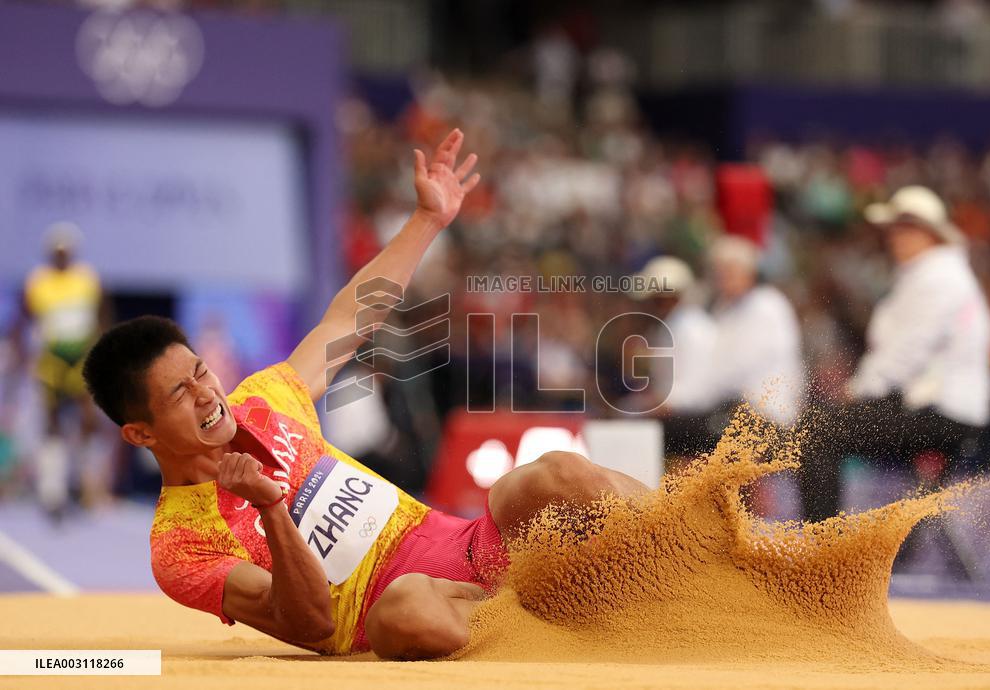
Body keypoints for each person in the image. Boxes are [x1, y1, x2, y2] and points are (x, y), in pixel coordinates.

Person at [82, 130, 647, 660]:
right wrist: (271, 507)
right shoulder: (181, 546)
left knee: (556, 475)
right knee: (400, 611)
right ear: (140, 432)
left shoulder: (267, 401)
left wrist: (427, 219)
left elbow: (348, 319)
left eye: (201, 372)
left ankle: (694, 538)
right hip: (421, 610)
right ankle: (541, 628)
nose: (206, 394)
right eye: (180, 393)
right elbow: (309, 623)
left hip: (474, 545)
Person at [798, 186, 990, 522]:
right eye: (896, 228)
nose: (895, 237)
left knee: (818, 432)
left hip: (942, 414)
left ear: (929, 234)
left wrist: (856, 391)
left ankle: (822, 551)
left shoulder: (939, 278)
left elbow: (906, 354)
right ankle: (828, 544)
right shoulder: (925, 275)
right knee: (819, 424)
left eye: (906, 228)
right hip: (927, 405)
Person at [14, 224, 107, 520]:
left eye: (66, 252)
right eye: (56, 252)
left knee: (89, 420)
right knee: (52, 422)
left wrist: (104, 352)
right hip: (52, 358)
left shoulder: (87, 279)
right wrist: (22, 355)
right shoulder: (37, 282)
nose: (61, 256)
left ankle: (82, 482)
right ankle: (52, 492)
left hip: (82, 357)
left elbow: (103, 316)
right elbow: (23, 320)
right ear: (49, 254)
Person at [621, 255, 721, 457]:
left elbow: (695, 391)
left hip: (694, 426)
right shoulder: (672, 327)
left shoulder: (692, 329)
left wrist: (650, 406)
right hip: (682, 421)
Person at [707, 235, 805, 429]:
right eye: (720, 272)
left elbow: (739, 365)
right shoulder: (723, 310)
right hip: (732, 407)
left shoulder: (768, 305)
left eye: (731, 271)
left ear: (749, 272)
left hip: (768, 412)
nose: (724, 278)